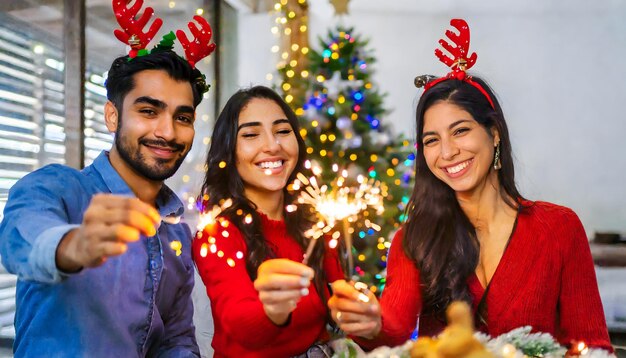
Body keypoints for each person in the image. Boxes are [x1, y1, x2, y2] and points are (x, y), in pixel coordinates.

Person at [327, 19, 613, 352]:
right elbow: (394, 328)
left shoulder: (560, 228)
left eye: (460, 131)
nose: (447, 152)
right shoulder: (415, 238)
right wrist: (371, 321)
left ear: (493, 133)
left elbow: (594, 347)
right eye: (432, 139)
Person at [0, 48, 209, 355]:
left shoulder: (176, 230)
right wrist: (74, 245)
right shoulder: (58, 187)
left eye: (182, 117)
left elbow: (175, 339)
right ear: (113, 116)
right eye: (149, 111)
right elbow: (17, 239)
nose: (167, 132)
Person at [193, 85, 344, 357]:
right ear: (229, 151)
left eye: (283, 131)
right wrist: (272, 309)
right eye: (251, 134)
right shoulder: (217, 234)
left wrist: (361, 314)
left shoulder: (316, 223)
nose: (273, 145)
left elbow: (340, 301)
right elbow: (240, 324)